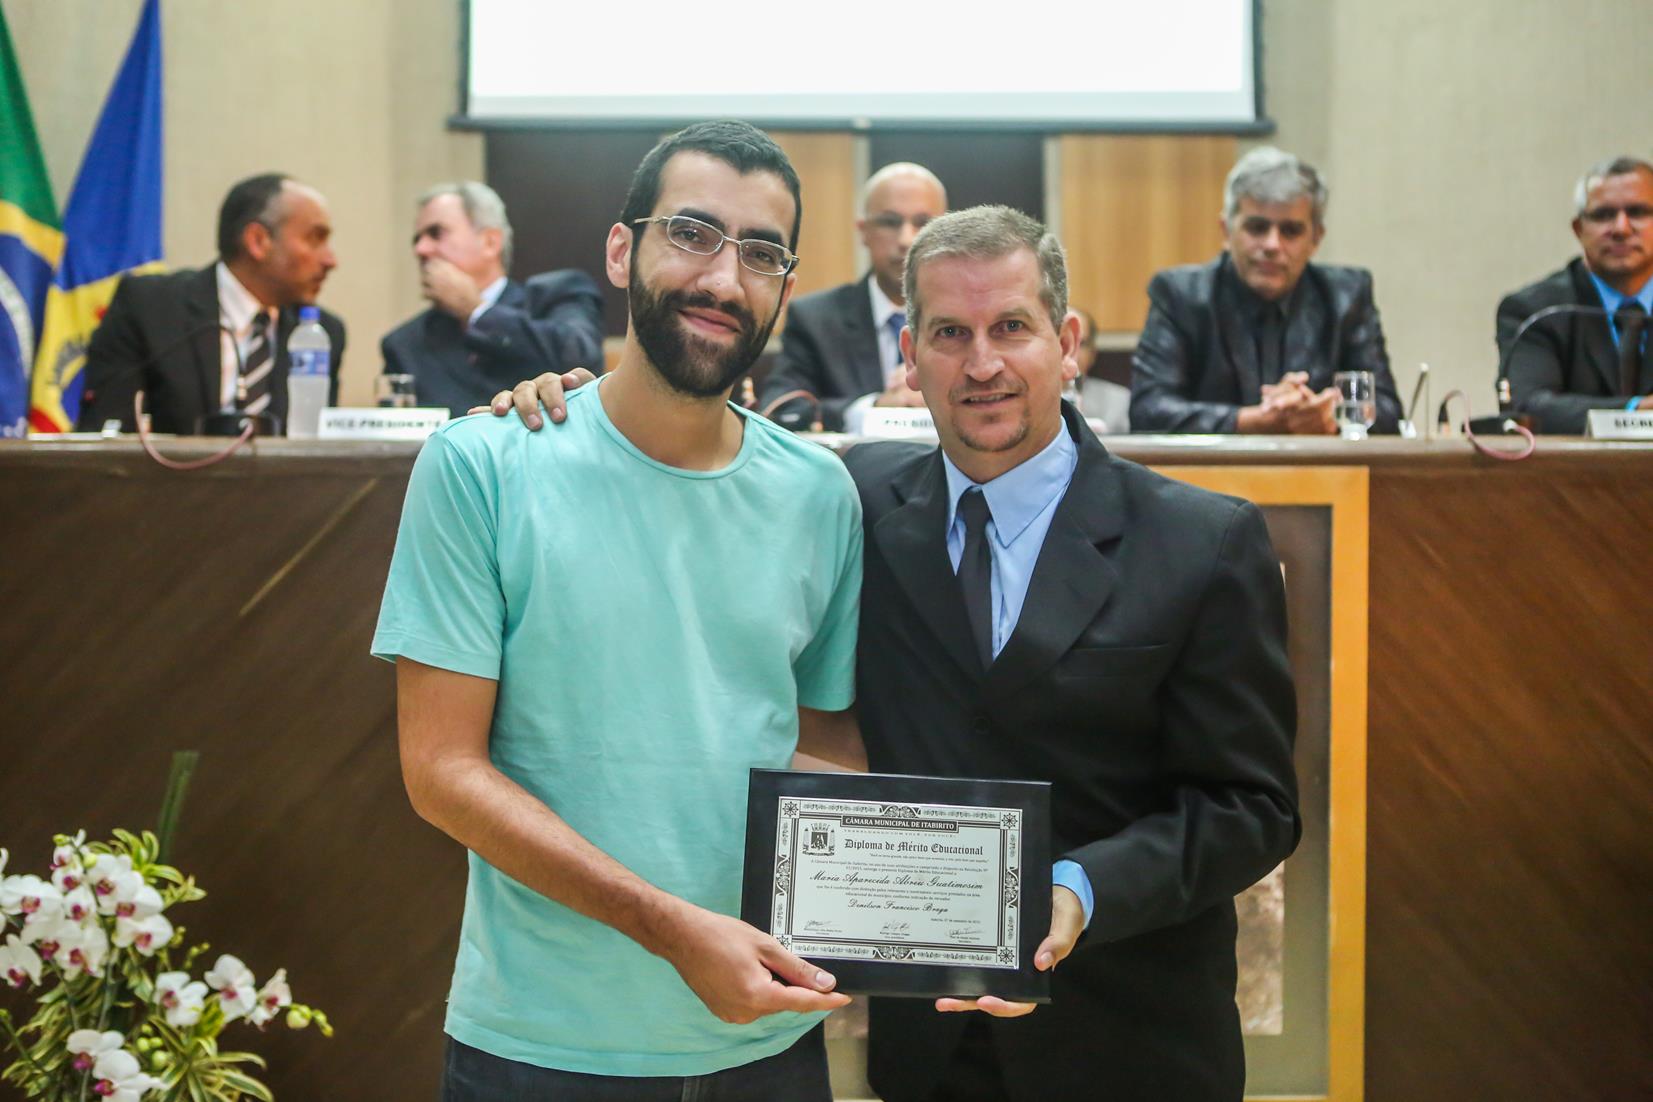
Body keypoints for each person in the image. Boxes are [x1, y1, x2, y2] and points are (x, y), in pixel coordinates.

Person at [492, 205, 1301, 1102]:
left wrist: (1080, 888)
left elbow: (1251, 807)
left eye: (1011, 328)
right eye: (950, 334)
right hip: (928, 1056)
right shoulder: (852, 501)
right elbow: (697, 457)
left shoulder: (1201, 541)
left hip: (1134, 1043)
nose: (981, 364)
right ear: (909, 358)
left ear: (1067, 343)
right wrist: (580, 409)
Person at [372, 121, 865, 1101]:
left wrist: (896, 919)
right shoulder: (483, 465)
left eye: (761, 253)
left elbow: (823, 746)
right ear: (619, 250)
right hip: (541, 1048)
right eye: (691, 233)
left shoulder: (821, 494)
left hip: (766, 1042)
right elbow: (441, 772)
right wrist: (669, 927)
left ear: (785, 285)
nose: (723, 278)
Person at [1130, 146, 1401, 434]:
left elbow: (1388, 412)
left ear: (1316, 238)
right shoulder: (1179, 295)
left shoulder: (1347, 297)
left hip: (1318, 464)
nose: (1272, 245)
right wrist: (1254, 421)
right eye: (1257, 228)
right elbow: (1148, 411)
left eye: (1290, 231)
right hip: (1214, 464)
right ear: (1226, 231)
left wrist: (1328, 418)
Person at [78, 173, 344, 434]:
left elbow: (315, 444)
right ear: (258, 241)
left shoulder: (322, 333)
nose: (331, 261)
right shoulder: (149, 308)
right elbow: (107, 435)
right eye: (315, 239)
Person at [381, 181, 604, 417]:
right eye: (417, 239)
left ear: (490, 242)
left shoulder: (558, 294)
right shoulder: (404, 344)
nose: (421, 249)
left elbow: (581, 359)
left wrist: (476, 311)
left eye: (436, 233)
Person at [757, 162, 946, 431]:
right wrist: (874, 409)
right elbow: (782, 410)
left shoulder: (973, 316)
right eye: (890, 222)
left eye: (923, 223)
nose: (906, 239)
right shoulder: (816, 319)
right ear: (863, 232)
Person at [1497, 155, 1653, 433]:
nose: (1621, 228)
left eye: (1637, 212)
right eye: (1603, 215)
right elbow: (1529, 408)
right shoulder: (1536, 310)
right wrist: (1636, 411)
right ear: (1579, 229)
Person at [1071, 306, 1131, 432]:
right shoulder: (1031, 399)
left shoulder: (1120, 402)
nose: (1070, 351)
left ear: (1093, 354)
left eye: (1081, 344)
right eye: (1063, 341)